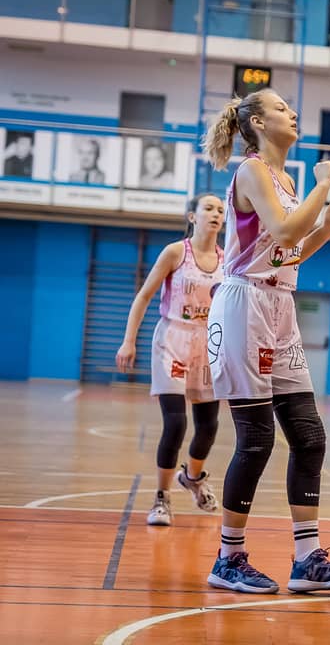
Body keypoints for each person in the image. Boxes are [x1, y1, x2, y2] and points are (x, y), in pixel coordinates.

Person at [201, 88, 330, 595]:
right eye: (279, 108)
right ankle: (228, 558)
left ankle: (307, 559)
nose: (292, 113)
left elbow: (287, 251)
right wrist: (323, 187)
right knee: (256, 440)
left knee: (309, 437)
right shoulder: (251, 171)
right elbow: (287, 231)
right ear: (256, 123)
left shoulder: (286, 180)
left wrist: (326, 229)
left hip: (279, 304)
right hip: (243, 305)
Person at [115, 194, 225, 526]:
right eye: (208, 208)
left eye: (221, 210)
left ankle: (192, 478)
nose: (216, 214)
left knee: (209, 426)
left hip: (209, 343)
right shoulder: (176, 252)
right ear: (192, 216)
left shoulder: (228, 259)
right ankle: (161, 497)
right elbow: (144, 296)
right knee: (176, 423)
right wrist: (128, 340)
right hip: (173, 338)